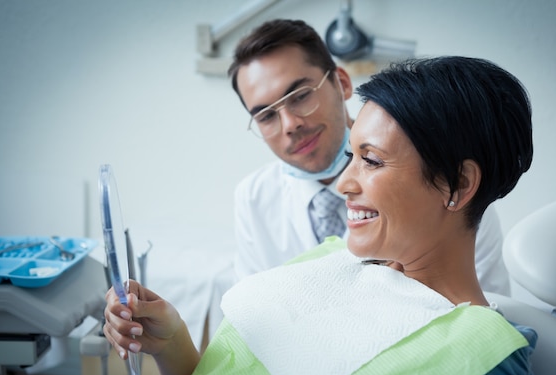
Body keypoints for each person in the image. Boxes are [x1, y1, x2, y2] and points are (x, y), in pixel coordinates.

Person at [3, 56, 542, 375]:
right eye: (352, 155)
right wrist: (174, 342)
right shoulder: (330, 263)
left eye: (372, 161)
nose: (345, 183)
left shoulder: (481, 360)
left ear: (458, 184)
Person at [208, 18, 511, 339]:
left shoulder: (448, 197)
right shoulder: (254, 197)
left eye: (300, 95)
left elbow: (484, 318)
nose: (289, 125)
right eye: (266, 115)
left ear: (341, 82)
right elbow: (254, 320)